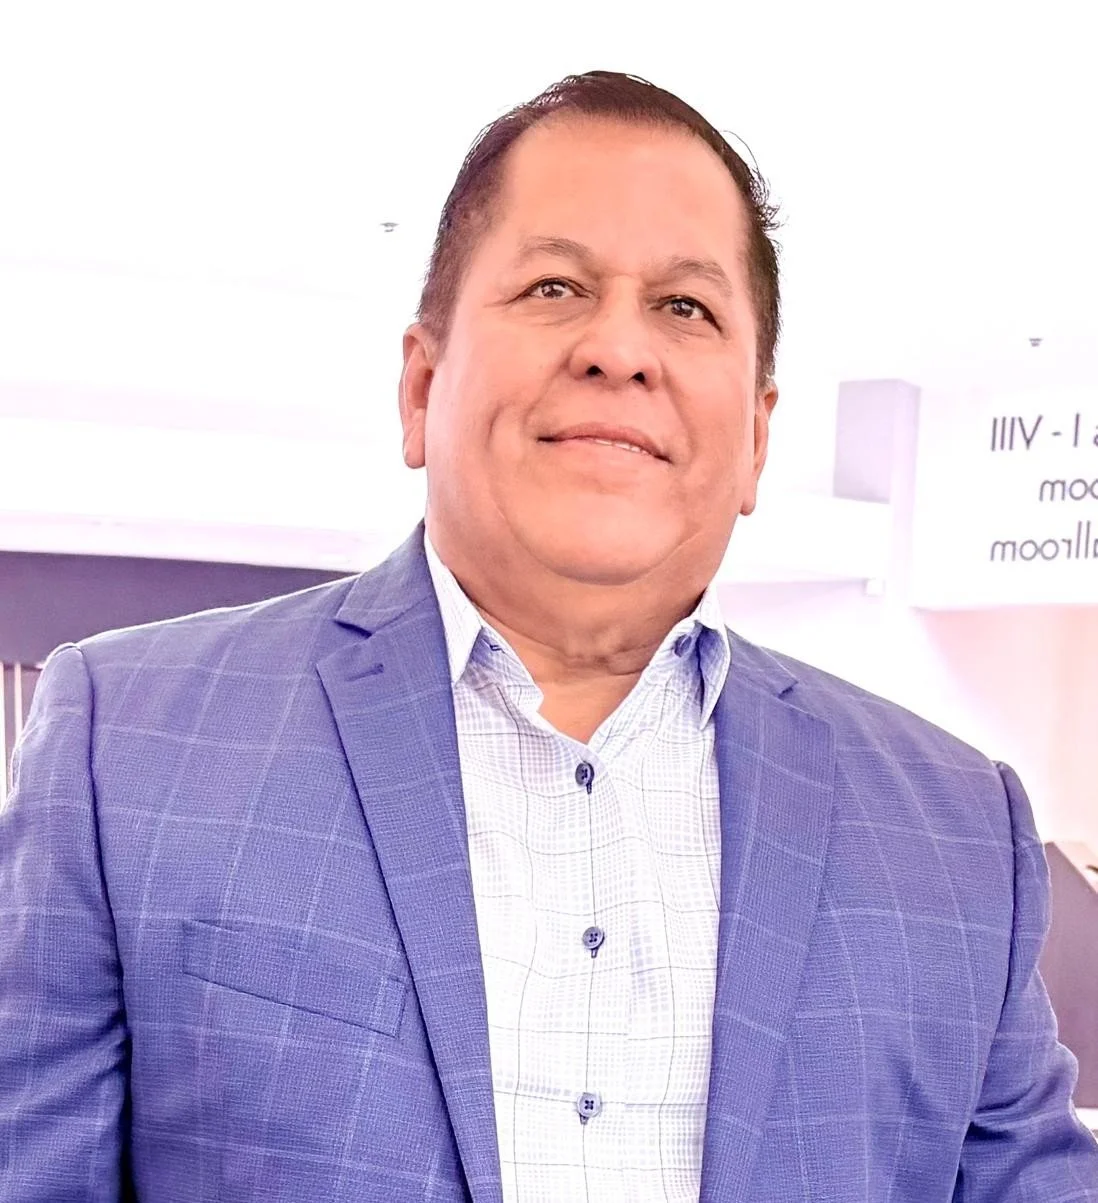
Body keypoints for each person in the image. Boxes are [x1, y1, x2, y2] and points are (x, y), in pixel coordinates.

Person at [1, 70, 1095, 1203]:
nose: (619, 349)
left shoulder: (959, 833)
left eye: (686, 307)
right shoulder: (128, 747)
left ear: (760, 437)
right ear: (421, 388)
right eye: (556, 285)